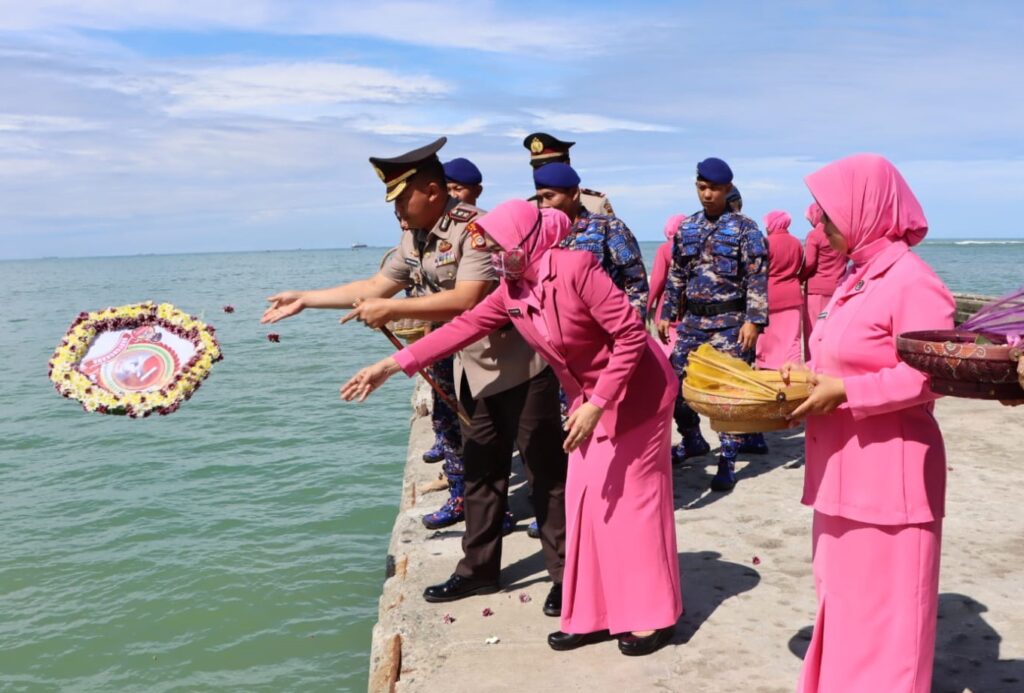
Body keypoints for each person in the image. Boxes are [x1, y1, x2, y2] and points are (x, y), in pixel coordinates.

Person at [342, 200, 683, 656]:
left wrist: (599, 402)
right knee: (584, 502)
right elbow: (461, 328)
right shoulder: (513, 290)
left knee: (631, 505)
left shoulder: (576, 267)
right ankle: (594, 612)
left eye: (500, 247)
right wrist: (392, 364)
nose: (496, 257)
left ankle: (651, 616)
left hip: (637, 395)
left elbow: (630, 335)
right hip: (590, 401)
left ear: (526, 240)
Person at [262, 138, 568, 615]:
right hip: (471, 372)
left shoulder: (476, 229)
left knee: (547, 475)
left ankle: (566, 575)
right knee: (481, 474)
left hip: (523, 368)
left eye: (403, 199)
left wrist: (393, 307)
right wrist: (307, 298)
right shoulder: (414, 236)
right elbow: (374, 287)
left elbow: (469, 299)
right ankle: (479, 571)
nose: (398, 210)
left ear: (431, 189)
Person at [780, 154, 955, 692]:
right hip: (840, 467)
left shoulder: (912, 281)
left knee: (890, 617)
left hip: (891, 475)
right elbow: (844, 354)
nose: (819, 223)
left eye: (829, 214)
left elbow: (931, 376)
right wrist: (808, 373)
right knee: (844, 599)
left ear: (867, 211)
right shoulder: (859, 276)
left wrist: (845, 392)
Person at [657, 157, 769, 483]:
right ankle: (692, 438)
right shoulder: (687, 228)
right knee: (675, 388)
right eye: (702, 188)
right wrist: (666, 314)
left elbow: (758, 277)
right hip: (692, 323)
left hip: (731, 322)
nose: (708, 195)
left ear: (728, 189)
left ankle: (729, 460)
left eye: (715, 189)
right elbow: (677, 273)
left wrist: (754, 321)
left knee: (728, 394)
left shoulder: (746, 229)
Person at [533, 162, 649, 319]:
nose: (543, 205)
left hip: (607, 326)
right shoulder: (539, 234)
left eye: (549, 196)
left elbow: (636, 280)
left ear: (574, 193)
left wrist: (630, 326)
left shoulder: (608, 227)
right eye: (540, 199)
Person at [755, 210, 805, 369]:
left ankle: (766, 366)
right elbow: (800, 266)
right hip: (792, 295)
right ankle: (792, 370)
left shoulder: (765, 242)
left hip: (769, 295)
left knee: (767, 337)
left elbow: (758, 270)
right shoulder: (796, 242)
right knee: (791, 338)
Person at [522, 132, 614, 215]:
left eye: (551, 167)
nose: (542, 172)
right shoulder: (527, 209)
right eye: (536, 168)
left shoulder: (594, 204)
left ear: (567, 164)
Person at [799, 203, 847, 359]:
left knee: (813, 332)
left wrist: (799, 278)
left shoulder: (814, 235)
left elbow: (810, 263)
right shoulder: (841, 233)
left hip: (816, 291)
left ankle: (813, 366)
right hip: (839, 287)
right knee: (832, 331)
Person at [647, 214, 689, 357]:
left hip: (668, 310)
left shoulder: (665, 249)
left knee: (668, 352)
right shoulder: (695, 247)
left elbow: (657, 281)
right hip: (691, 311)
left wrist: (645, 307)